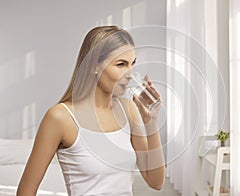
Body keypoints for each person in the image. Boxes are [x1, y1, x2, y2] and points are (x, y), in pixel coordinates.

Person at [17, 25, 165, 196]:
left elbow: (156, 181)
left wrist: (151, 122)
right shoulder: (60, 117)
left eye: (132, 64)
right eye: (121, 64)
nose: (130, 74)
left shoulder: (129, 109)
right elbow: (26, 191)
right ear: (94, 65)